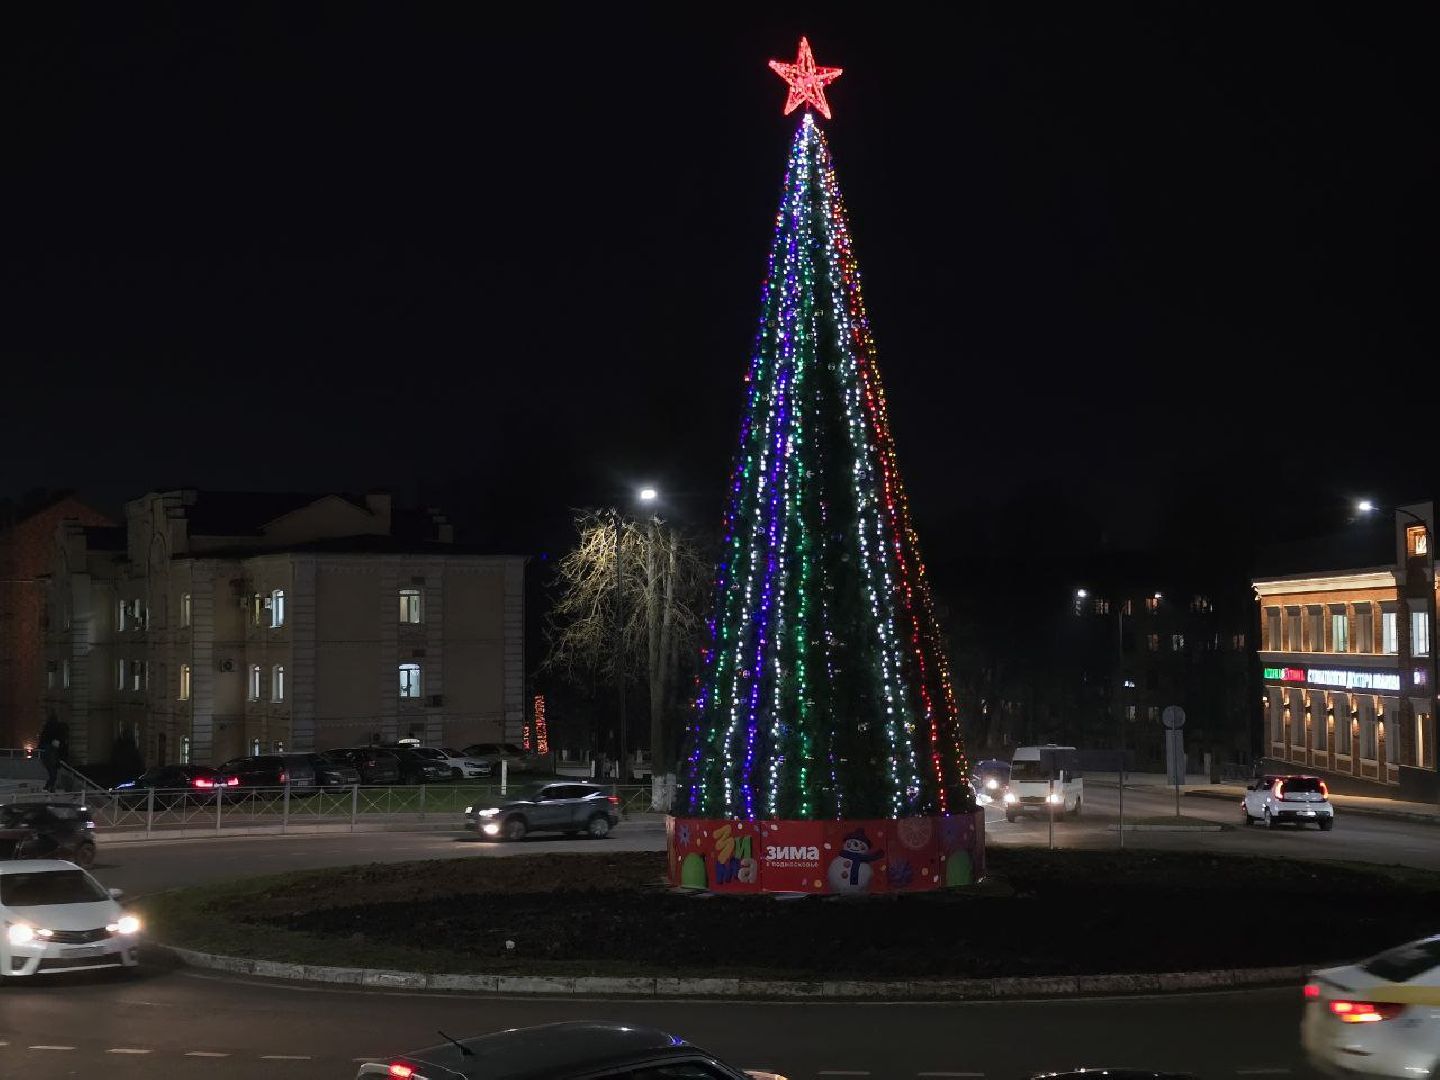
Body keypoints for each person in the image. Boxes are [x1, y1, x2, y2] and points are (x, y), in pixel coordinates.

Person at [37, 716, 62, 793]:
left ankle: (49, 788)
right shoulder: (53, 735)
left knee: (53, 774)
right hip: (50, 756)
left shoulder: (46, 733)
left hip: (47, 755)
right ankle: (48, 788)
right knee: (53, 774)